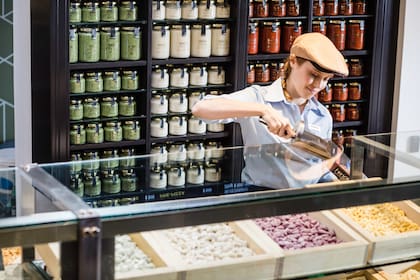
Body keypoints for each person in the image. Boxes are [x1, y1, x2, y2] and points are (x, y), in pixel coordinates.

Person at [192, 32, 349, 188]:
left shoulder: (322, 116)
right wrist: (262, 110)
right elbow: (201, 109)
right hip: (261, 198)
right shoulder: (259, 98)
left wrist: (353, 182)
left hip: (307, 202)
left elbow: (324, 169)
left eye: (326, 79)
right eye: (314, 75)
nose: (318, 85)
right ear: (293, 61)